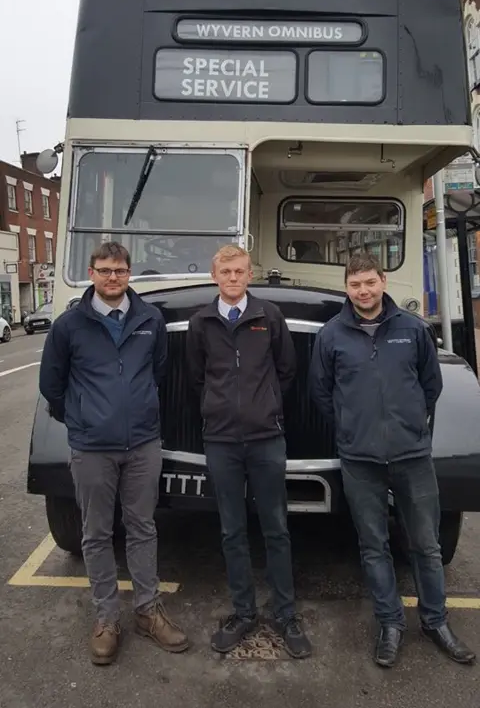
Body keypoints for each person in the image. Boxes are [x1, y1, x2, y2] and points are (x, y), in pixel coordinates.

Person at [309, 251, 475, 667]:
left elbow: (430, 384)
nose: (363, 291)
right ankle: (390, 623)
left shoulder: (414, 329)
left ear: (382, 282)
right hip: (359, 458)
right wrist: (350, 427)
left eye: (369, 282)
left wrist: (410, 424)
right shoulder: (331, 335)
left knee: (426, 545)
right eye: (355, 284)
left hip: (412, 455)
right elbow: (322, 392)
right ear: (347, 288)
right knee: (373, 546)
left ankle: (436, 621)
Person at [39, 241, 189, 665]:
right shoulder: (69, 326)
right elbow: (52, 385)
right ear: (91, 273)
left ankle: (147, 610)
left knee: (143, 528)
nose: (112, 278)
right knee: (97, 533)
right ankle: (106, 617)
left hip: (142, 444)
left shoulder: (150, 319)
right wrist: (83, 421)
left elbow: (158, 372)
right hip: (91, 449)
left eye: (119, 271)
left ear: (129, 274)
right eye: (104, 270)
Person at [186, 244, 311, 659]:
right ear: (214, 274)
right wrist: (218, 410)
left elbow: (287, 370)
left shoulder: (268, 317)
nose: (233, 277)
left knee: (276, 528)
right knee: (232, 531)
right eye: (226, 271)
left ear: (250, 274)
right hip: (221, 441)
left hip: (266, 439)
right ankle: (243, 612)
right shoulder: (201, 322)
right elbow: (196, 377)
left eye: (240, 270)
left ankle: (286, 614)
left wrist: (266, 406)